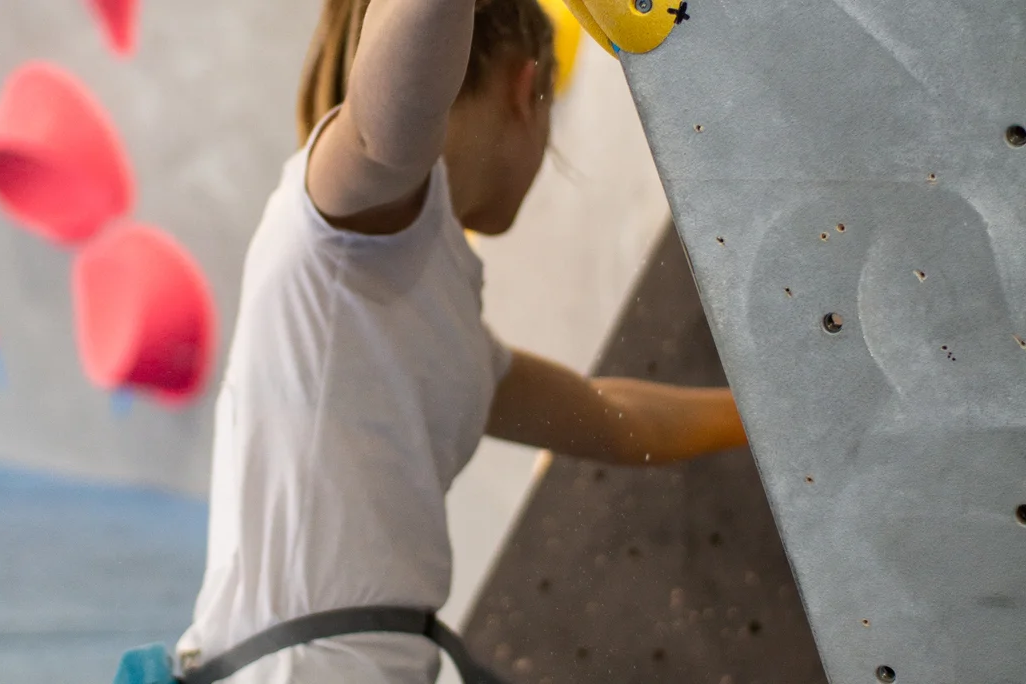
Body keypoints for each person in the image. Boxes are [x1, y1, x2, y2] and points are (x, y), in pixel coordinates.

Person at [175, 0, 748, 682]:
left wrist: (770, 420)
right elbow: (381, 136)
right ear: (526, 88)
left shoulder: (440, 322)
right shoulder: (344, 231)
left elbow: (616, 420)